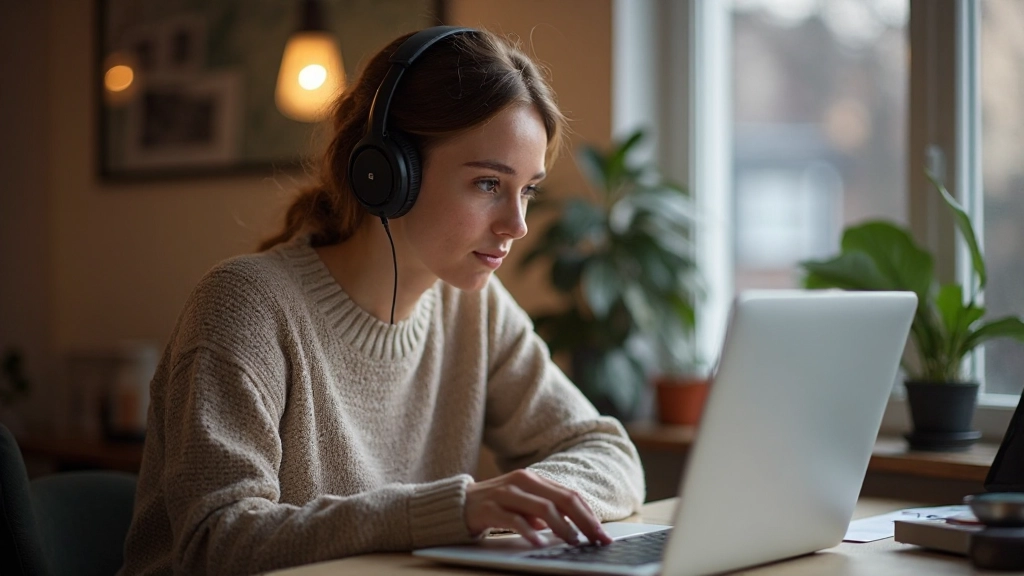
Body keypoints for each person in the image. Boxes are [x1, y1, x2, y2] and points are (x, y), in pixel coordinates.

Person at [119, 26, 645, 576]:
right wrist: (453, 511)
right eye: (489, 184)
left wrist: (532, 501)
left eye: (528, 190)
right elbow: (216, 542)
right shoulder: (245, 305)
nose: (517, 225)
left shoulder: (475, 308)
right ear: (389, 173)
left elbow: (610, 454)